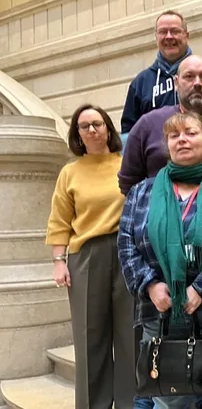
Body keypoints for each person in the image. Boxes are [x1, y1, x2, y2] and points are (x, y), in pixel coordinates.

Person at [118, 111, 202, 408]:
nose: (182, 140)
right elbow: (126, 245)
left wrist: (201, 289)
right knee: (173, 399)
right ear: (167, 145)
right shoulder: (141, 193)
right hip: (163, 314)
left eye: (191, 133)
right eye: (174, 135)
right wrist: (150, 285)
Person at [46, 104, 134, 409]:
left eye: (97, 123)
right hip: (86, 256)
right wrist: (59, 262)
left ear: (108, 128)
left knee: (129, 335)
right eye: (84, 126)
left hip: (126, 252)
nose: (92, 129)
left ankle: (128, 404)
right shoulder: (69, 173)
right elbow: (59, 220)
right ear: (77, 135)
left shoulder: (125, 164)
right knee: (89, 337)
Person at [119, 55, 202, 196]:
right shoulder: (148, 124)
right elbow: (128, 183)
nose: (197, 83)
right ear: (176, 83)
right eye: (189, 77)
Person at [121, 10, 202, 142]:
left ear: (186, 35)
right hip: (157, 159)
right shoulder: (141, 83)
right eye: (163, 32)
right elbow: (129, 132)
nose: (169, 37)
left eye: (175, 31)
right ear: (156, 37)